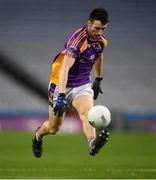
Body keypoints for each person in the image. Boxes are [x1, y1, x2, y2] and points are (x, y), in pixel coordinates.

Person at [32, 7, 110, 158]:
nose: (99, 32)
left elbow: (99, 56)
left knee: (87, 114)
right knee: (54, 128)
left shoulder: (102, 41)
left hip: (81, 85)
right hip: (59, 84)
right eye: (96, 28)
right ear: (89, 23)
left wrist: (98, 78)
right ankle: (38, 135)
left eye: (103, 29)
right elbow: (65, 69)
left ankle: (92, 143)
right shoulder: (78, 40)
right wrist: (61, 95)